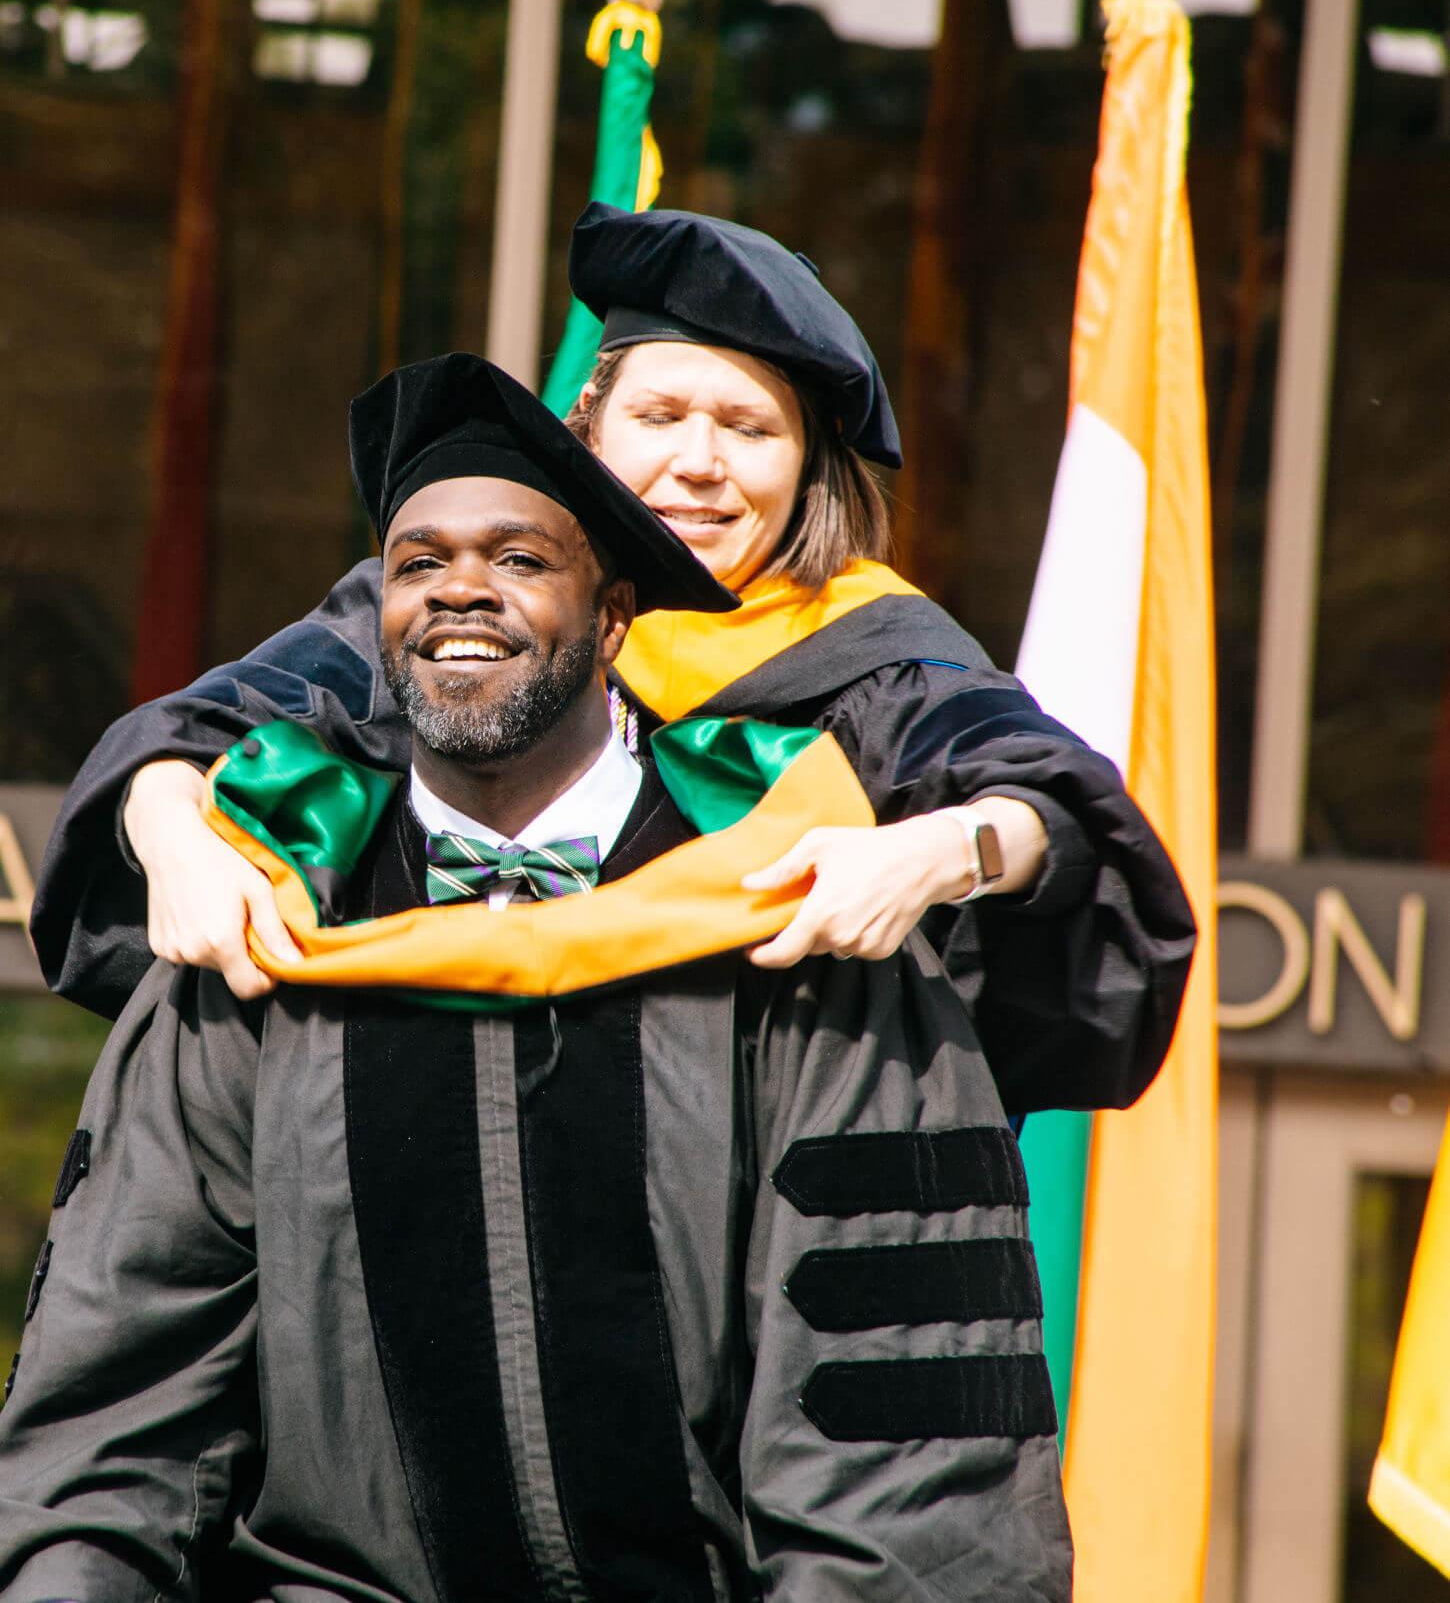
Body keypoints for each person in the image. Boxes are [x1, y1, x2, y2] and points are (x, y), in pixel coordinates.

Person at [0, 354, 1072, 1602]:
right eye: (419, 564)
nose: (463, 591)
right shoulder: (269, 938)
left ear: (616, 617)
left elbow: (902, 1479)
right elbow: (113, 1423)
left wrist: (967, 839)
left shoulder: (797, 936)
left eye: (518, 560)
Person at [30, 205, 1195, 1117]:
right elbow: (195, 734)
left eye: (747, 428)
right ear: (586, 434)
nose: (698, 462)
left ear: (809, 473)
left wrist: (940, 852)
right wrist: (175, 833)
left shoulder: (875, 657)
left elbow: (1056, 812)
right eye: (660, 416)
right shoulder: (467, 612)